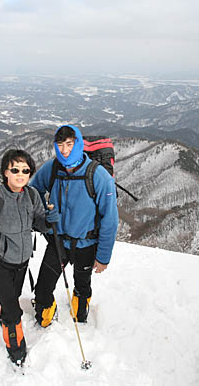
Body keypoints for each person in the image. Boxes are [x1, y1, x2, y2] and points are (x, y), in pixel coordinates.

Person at [0, 149, 59, 364]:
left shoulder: (31, 195)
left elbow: (39, 223)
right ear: (5, 172)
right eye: (14, 169)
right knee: (13, 311)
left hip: (21, 261)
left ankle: (5, 317)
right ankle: (17, 353)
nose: (20, 174)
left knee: (11, 299)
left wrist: (50, 221)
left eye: (25, 170)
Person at [29, 125, 119, 327]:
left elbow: (110, 219)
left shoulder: (98, 175)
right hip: (57, 241)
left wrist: (103, 257)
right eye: (60, 145)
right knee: (43, 287)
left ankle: (80, 315)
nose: (64, 150)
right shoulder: (52, 169)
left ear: (78, 143)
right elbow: (33, 191)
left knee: (82, 284)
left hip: (86, 244)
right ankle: (45, 314)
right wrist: (44, 214)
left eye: (69, 144)